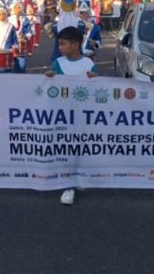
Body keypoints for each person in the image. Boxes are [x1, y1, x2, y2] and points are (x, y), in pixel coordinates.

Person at [45, 27, 96, 205]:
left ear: (76, 44)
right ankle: (68, 185)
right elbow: (52, 87)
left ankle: (77, 177)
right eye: (59, 44)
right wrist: (49, 77)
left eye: (63, 43)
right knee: (67, 148)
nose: (60, 47)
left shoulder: (88, 64)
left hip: (83, 113)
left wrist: (94, 78)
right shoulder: (58, 62)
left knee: (80, 148)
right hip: (64, 114)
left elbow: (96, 87)